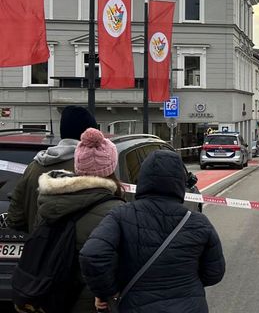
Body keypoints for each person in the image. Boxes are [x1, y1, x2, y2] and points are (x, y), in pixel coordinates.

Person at [80, 150, 225, 313]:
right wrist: (186, 282)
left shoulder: (120, 215)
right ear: (180, 182)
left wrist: (108, 292)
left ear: (142, 179)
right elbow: (215, 273)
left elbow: (92, 254)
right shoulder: (198, 223)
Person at [32, 128, 125, 312]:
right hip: (92, 300)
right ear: (111, 168)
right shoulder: (116, 211)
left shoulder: (47, 200)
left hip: (51, 293)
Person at [8, 105, 97, 233]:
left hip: (38, 248)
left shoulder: (33, 166)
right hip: (75, 250)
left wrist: (35, 230)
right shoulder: (91, 168)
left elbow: (15, 217)